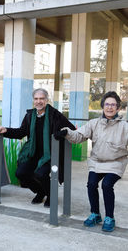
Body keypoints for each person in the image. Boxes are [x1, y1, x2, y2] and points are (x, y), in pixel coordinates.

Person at [55, 91, 128, 232]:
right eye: (107, 104)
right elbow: (79, 135)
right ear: (103, 106)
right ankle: (95, 214)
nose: (110, 107)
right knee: (91, 184)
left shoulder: (124, 126)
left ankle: (110, 217)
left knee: (107, 185)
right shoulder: (94, 123)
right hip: (96, 162)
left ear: (118, 108)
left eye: (113, 105)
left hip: (116, 163)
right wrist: (66, 132)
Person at [0, 88, 75, 207]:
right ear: (33, 100)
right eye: (36, 99)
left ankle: (50, 195)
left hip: (49, 154)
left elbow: (71, 129)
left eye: (42, 99)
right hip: (33, 153)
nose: (39, 101)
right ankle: (41, 191)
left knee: (40, 174)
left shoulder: (55, 114)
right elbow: (21, 132)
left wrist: (62, 132)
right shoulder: (30, 115)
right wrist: (6, 131)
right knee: (20, 173)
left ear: (47, 100)